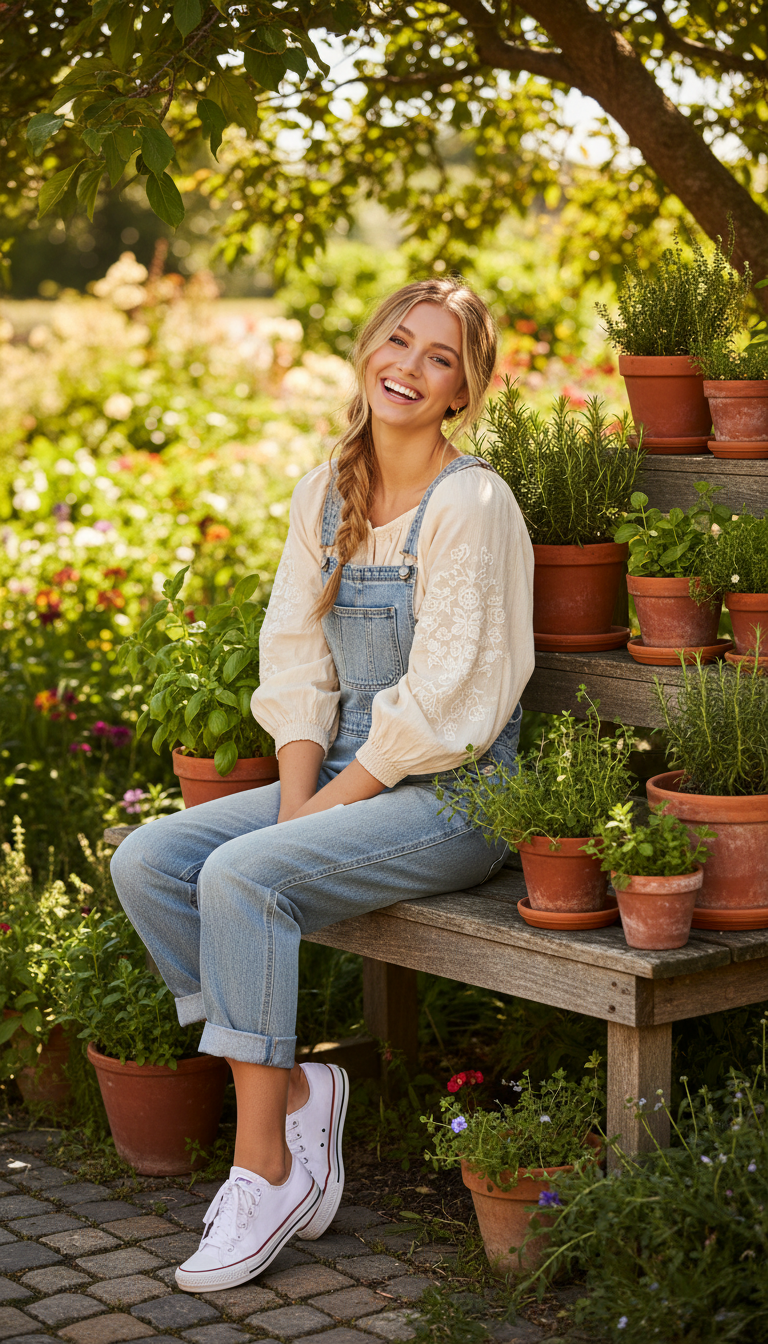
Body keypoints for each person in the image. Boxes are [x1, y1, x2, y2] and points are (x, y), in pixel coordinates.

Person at [110, 277, 534, 1293]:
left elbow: (442, 707)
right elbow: (297, 670)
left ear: (461, 391)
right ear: (367, 348)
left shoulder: (471, 502)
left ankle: (265, 1171)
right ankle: (297, 1090)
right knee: (154, 860)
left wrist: (294, 832)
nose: (411, 366)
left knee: (246, 878)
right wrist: (299, 806)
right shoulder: (325, 490)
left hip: (456, 795)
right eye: (400, 339)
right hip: (349, 772)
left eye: (440, 358)